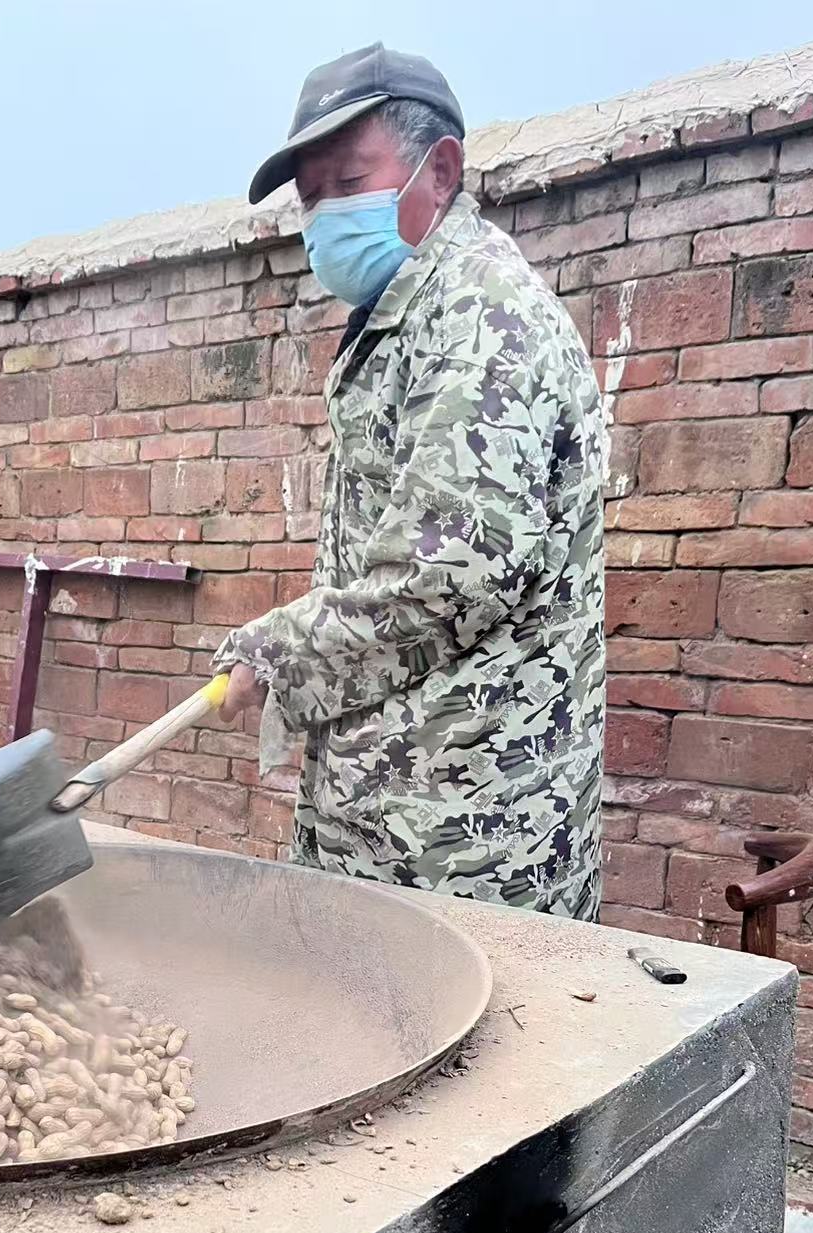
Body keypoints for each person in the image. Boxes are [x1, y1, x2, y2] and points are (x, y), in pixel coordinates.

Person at [215, 43, 606, 919]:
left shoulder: (482, 319)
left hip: (464, 846)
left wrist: (274, 653)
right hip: (396, 822)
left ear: (442, 169)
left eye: (349, 180)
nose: (323, 214)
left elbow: (442, 577)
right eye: (311, 196)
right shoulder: (408, 314)